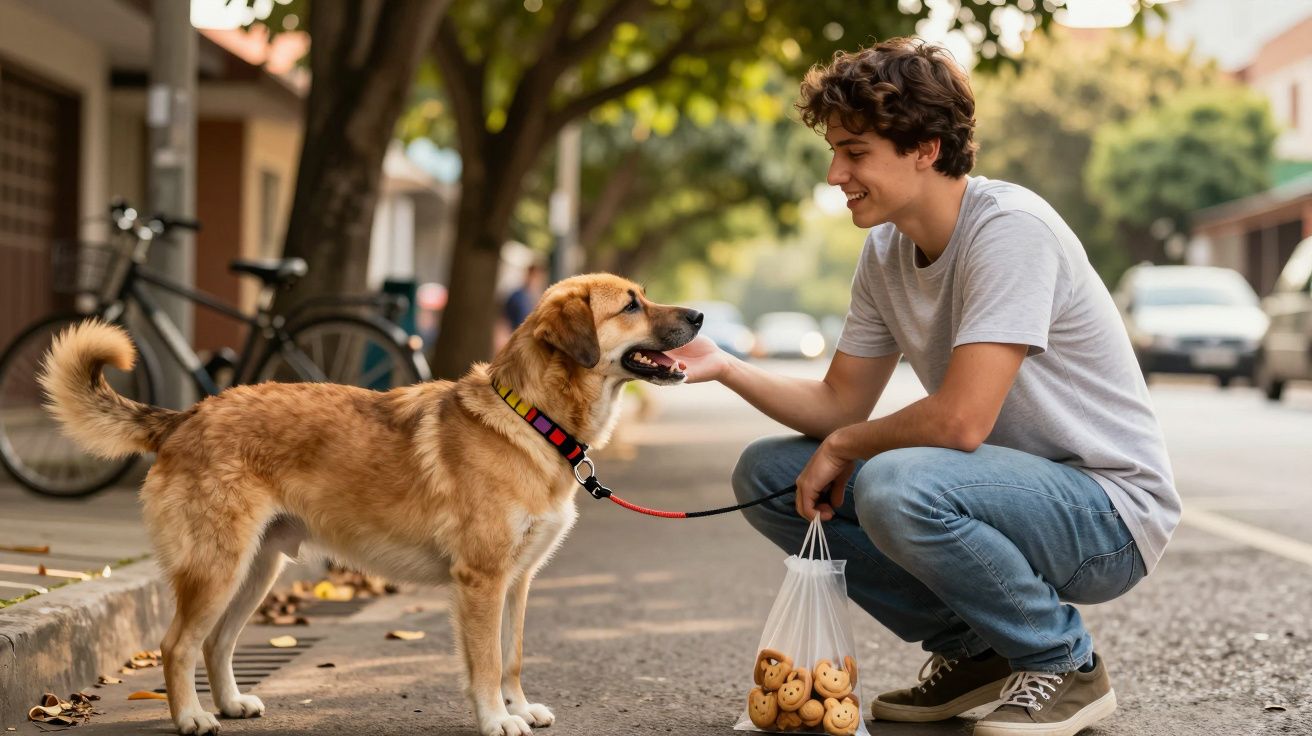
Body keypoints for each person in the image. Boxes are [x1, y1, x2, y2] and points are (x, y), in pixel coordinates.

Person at [669, 38, 1178, 736]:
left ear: (926, 148)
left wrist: (849, 443)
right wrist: (725, 364)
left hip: (1106, 515)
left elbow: (960, 421)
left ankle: (1064, 661)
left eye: (854, 152)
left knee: (896, 483)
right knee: (769, 473)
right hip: (999, 492)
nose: (834, 173)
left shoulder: (1011, 231)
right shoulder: (884, 251)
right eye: (835, 151)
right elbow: (838, 404)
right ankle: (979, 652)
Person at [505, 262, 547, 330]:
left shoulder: (543, 298)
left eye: (539, 277)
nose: (536, 281)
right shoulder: (516, 296)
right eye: (534, 276)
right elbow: (505, 319)